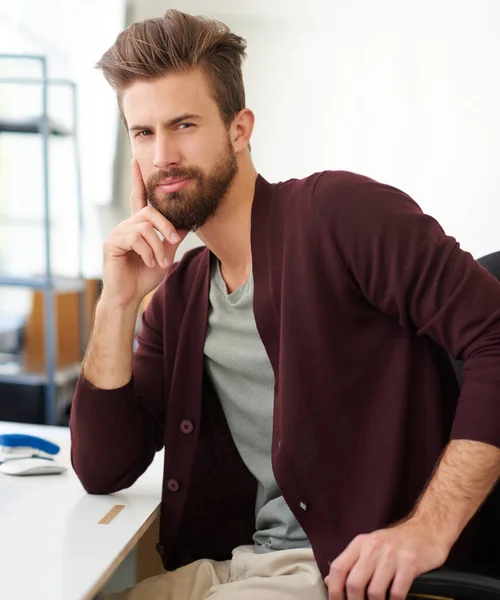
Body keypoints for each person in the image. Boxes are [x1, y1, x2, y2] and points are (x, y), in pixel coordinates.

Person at [70, 9, 500, 600]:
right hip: (244, 565)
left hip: (346, 574)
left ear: (240, 128)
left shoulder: (340, 215)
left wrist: (428, 528)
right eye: (143, 133)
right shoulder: (180, 293)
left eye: (184, 125)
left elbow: (496, 337)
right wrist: (117, 303)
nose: (162, 156)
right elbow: (103, 468)